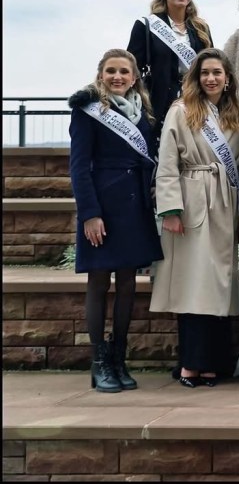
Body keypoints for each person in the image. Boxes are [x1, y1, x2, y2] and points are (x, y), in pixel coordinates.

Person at [68, 48, 163, 392]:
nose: (118, 77)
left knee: (127, 285)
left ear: (135, 77)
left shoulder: (144, 113)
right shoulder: (87, 110)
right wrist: (90, 214)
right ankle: (99, 363)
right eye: (111, 71)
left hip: (135, 208)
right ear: (101, 75)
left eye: (124, 71)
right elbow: (78, 167)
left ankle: (119, 359)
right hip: (104, 209)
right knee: (98, 283)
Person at [152, 48, 239, 388]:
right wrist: (171, 209)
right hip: (191, 201)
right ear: (196, 77)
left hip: (224, 202)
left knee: (218, 285)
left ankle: (215, 363)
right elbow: (166, 163)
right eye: (205, 73)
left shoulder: (237, 114)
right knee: (193, 284)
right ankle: (191, 362)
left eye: (217, 73)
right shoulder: (181, 111)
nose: (211, 78)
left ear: (228, 78)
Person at [127, 0, 214, 137]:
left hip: (195, 100)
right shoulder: (146, 26)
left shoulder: (201, 29)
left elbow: (212, 65)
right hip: (158, 102)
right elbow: (132, 68)